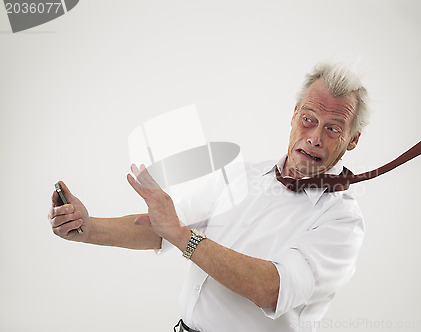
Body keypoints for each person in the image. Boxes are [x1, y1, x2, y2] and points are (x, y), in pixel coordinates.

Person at [49, 61, 370, 332]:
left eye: (332, 129)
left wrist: (182, 236)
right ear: (294, 114)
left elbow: (271, 289)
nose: (314, 138)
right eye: (309, 120)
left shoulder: (343, 221)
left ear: (352, 140)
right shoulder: (242, 174)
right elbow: (163, 228)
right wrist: (89, 229)